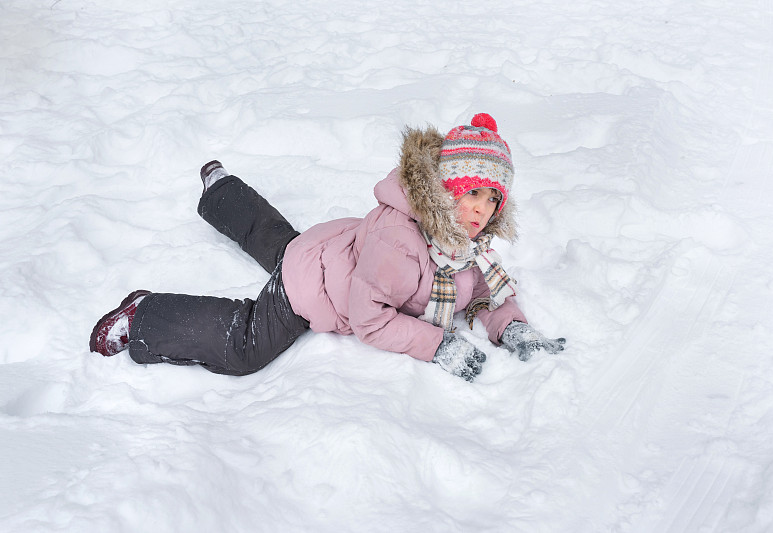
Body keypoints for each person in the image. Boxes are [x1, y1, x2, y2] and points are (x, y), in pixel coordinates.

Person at [89, 113, 565, 381]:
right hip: (314, 288)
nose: (481, 209)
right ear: (443, 189)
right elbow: (369, 319)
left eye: (491, 198)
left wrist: (510, 327)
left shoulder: (467, 245)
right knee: (246, 346)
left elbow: (482, 290)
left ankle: (221, 187)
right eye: (471, 193)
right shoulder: (399, 243)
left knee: (280, 243)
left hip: (331, 248)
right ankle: (145, 314)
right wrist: (436, 344)